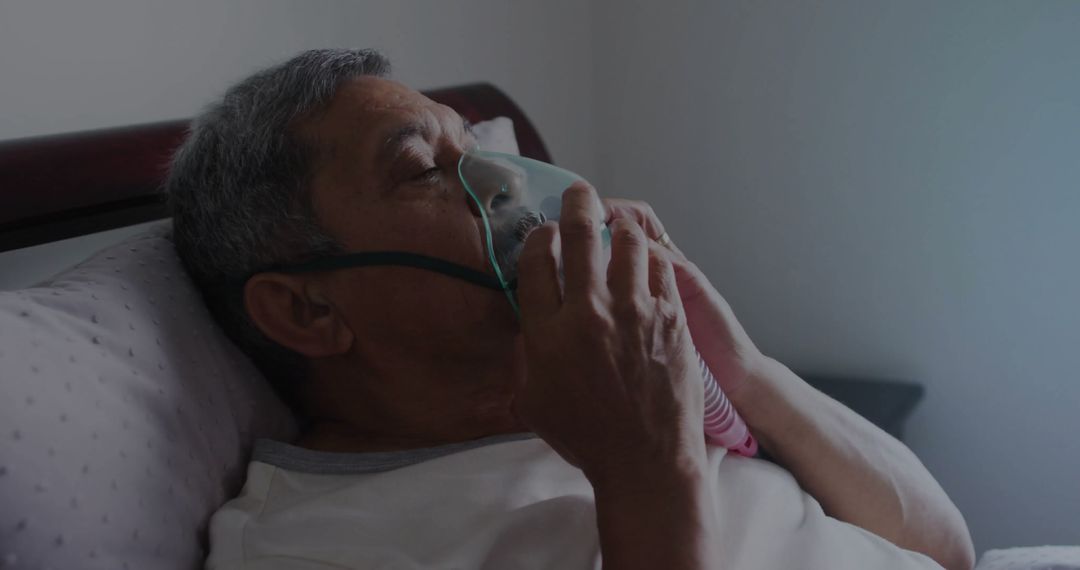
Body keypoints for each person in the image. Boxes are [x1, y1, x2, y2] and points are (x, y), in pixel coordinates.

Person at [166, 49, 975, 570]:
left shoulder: (612, 381)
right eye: (420, 170)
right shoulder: (311, 547)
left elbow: (947, 550)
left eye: (479, 156)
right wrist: (648, 471)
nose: (508, 187)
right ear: (306, 310)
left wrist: (742, 369)